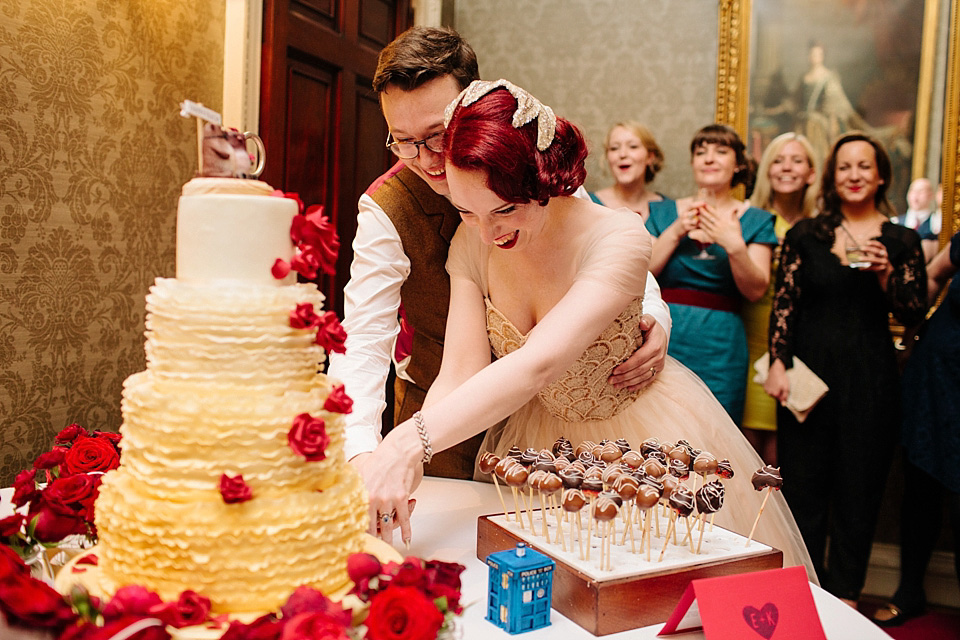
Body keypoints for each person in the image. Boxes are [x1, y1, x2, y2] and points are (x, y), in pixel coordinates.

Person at [362, 78, 815, 579]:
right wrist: (402, 461)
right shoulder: (472, 243)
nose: (490, 232)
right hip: (533, 445)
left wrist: (409, 442)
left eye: (505, 210)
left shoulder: (618, 238)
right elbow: (462, 370)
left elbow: (539, 362)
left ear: (544, 179)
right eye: (467, 211)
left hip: (637, 444)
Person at [327, 27, 672, 483]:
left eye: (436, 135)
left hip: (566, 414)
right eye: (402, 141)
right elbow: (364, 340)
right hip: (441, 411)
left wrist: (653, 315)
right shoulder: (387, 208)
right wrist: (362, 457)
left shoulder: (528, 164)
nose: (427, 159)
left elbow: (599, 244)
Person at [765, 132, 927, 604]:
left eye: (864, 166)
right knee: (803, 487)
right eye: (844, 167)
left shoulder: (902, 240)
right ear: (833, 177)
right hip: (806, 380)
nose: (854, 175)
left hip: (872, 381)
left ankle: (847, 596)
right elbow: (784, 306)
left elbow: (914, 310)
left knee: (859, 490)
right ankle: (805, 594)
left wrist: (885, 275)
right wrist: (778, 363)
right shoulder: (805, 235)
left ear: (880, 176)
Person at [646, 125, 776, 424]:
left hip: (721, 342)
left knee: (717, 428)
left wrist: (733, 243)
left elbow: (756, 290)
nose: (709, 158)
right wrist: (677, 229)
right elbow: (643, 273)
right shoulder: (663, 213)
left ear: (738, 164)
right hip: (665, 330)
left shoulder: (755, 219)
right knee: (659, 424)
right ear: (692, 163)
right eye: (701, 152)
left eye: (720, 151)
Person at [873, 230, 960, 626]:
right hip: (935, 373)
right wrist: (912, 321)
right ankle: (910, 590)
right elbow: (934, 276)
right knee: (920, 481)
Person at [742, 133, 819, 463]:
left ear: (811, 173)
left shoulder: (822, 228)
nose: (786, 168)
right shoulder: (749, 219)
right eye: (778, 160)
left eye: (796, 160)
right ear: (766, 170)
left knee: (783, 453)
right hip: (747, 339)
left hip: (796, 342)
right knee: (742, 448)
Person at [588, 121, 664, 220]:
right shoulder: (589, 203)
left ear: (650, 157)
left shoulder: (667, 209)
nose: (622, 154)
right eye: (614, 148)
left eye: (633, 146)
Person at [892, 178, 941, 263]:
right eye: (912, 191)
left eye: (921, 191)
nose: (915, 195)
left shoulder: (937, 222)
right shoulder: (895, 222)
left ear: (931, 195)